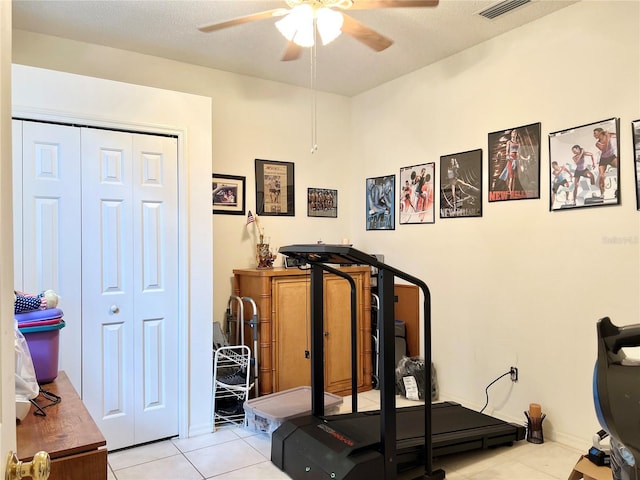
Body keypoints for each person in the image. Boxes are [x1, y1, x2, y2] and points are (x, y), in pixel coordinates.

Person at [593, 127, 618, 198]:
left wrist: (609, 134)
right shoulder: (597, 143)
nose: (594, 135)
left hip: (612, 157)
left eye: (595, 133)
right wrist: (607, 137)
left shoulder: (609, 134)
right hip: (603, 159)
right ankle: (602, 194)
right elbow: (605, 148)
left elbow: (619, 135)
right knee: (601, 176)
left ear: (600, 132)